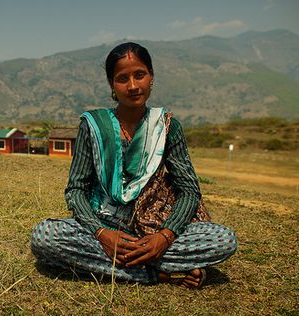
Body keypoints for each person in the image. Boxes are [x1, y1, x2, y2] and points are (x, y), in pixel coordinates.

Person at [31, 42, 237, 288]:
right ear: (112, 85)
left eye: (139, 75)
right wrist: (102, 234)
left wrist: (164, 236)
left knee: (224, 240)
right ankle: (156, 273)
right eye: (122, 78)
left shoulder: (167, 128)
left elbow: (190, 191)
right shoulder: (94, 126)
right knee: (45, 236)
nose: (132, 86)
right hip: (103, 226)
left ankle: (124, 264)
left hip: (153, 227)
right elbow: (76, 190)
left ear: (151, 77)